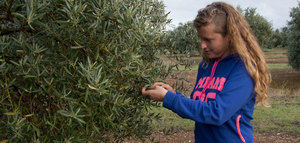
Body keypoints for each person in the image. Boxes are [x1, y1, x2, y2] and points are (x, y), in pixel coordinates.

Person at [142, 2, 270, 143]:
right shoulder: (205, 66)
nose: (203, 45)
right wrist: (172, 95)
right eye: (201, 39)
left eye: (208, 40)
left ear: (229, 37)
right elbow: (198, 109)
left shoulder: (243, 69)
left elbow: (217, 113)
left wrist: (169, 98)